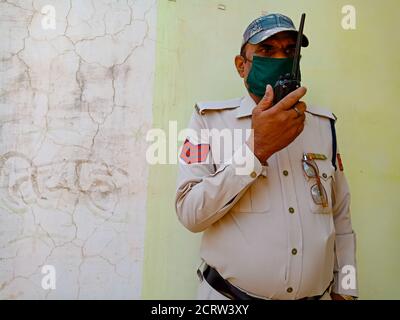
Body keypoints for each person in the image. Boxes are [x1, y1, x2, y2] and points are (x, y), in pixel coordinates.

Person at [175, 13, 358, 300]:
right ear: (241, 66)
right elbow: (190, 214)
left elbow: (341, 217)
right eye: (267, 51)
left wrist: (346, 290)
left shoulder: (323, 126)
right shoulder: (208, 122)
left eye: (289, 51)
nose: (280, 59)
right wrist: (256, 151)